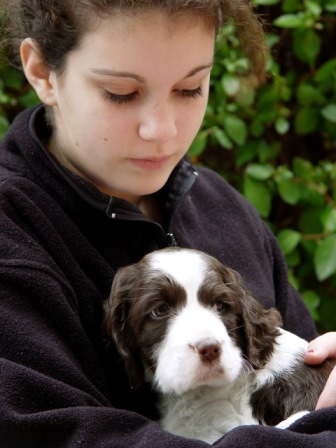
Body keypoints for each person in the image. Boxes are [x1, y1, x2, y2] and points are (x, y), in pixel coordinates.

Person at [0, 1, 335, 447]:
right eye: (121, 92)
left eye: (190, 87)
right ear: (42, 72)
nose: (162, 129)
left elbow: (309, 395)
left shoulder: (226, 209)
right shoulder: (14, 236)